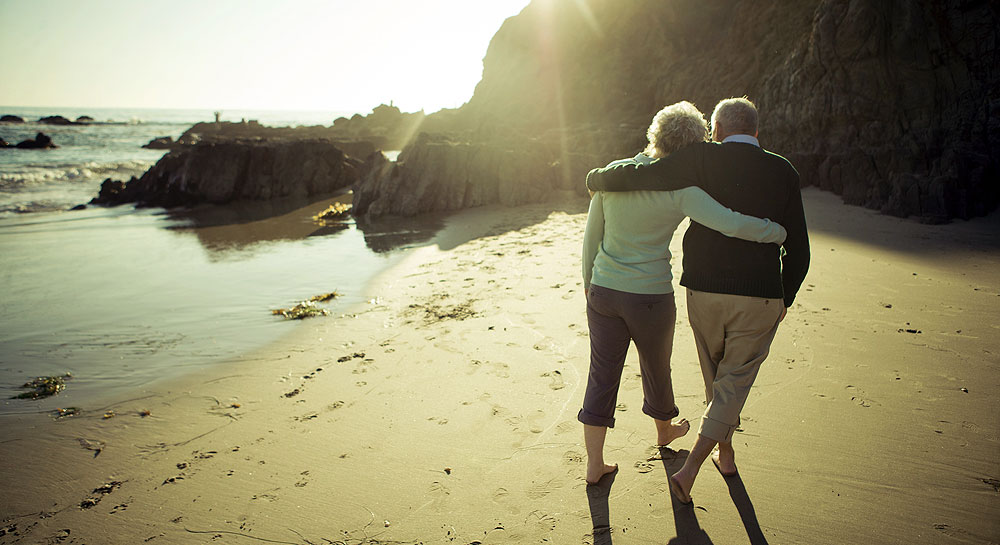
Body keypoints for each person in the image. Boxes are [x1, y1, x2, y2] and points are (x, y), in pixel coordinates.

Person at [585, 97, 811, 502]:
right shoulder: (704, 186)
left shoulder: (659, 167)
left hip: (652, 289)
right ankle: (677, 450)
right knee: (695, 376)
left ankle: (603, 462)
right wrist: (780, 258)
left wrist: (598, 179)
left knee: (625, 375)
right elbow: (752, 230)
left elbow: (616, 208)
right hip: (704, 294)